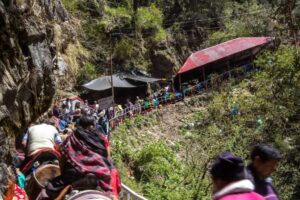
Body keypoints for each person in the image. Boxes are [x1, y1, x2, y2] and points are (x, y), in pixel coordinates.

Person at [38, 116, 120, 199]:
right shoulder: (101, 137)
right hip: (101, 175)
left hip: (74, 175)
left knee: (46, 192)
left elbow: (62, 158)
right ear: (93, 125)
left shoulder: (73, 137)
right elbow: (108, 157)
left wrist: (63, 171)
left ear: (80, 125)